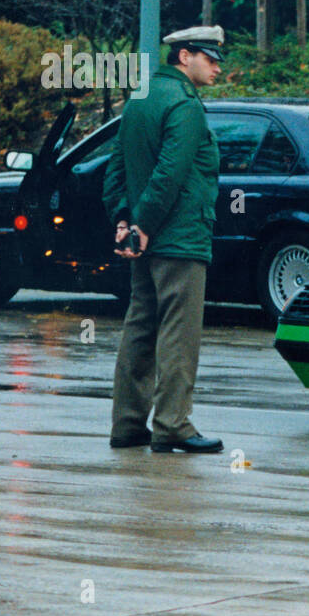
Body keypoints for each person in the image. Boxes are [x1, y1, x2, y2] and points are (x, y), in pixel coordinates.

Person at [103, 25, 225, 453]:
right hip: (180, 237)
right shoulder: (185, 104)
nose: (217, 68)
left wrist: (124, 220)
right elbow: (170, 175)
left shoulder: (140, 97)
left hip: (146, 238)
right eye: (210, 59)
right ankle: (173, 424)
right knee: (178, 332)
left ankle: (128, 424)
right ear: (184, 56)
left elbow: (116, 163)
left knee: (139, 328)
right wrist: (145, 224)